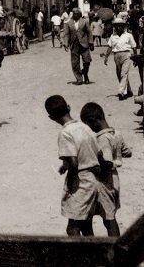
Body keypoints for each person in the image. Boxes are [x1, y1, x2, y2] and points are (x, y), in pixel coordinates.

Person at [44, 95, 102, 237]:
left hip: (80, 182)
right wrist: (66, 164)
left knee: (72, 227)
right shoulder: (85, 127)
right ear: (68, 107)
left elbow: (74, 162)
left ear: (51, 117)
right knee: (86, 225)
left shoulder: (65, 133)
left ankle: (78, 257)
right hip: (93, 180)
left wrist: (71, 182)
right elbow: (96, 152)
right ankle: (93, 255)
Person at [80, 102, 132, 237]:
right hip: (114, 181)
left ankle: (103, 247)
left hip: (104, 183)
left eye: (88, 125)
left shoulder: (102, 139)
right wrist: (119, 155)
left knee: (101, 219)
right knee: (110, 216)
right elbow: (128, 152)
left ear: (93, 122)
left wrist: (98, 160)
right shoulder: (117, 134)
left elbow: (107, 164)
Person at [104, 18, 137, 100]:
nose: (118, 28)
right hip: (116, 56)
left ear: (123, 26)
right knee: (119, 74)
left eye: (120, 26)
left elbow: (134, 47)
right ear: (114, 27)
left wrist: (136, 58)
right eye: (116, 26)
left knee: (124, 73)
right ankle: (129, 91)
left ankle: (121, 92)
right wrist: (106, 57)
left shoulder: (128, 35)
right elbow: (109, 47)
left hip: (126, 55)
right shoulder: (113, 36)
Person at [65, 8, 94, 84]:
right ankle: (79, 79)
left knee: (87, 61)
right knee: (75, 63)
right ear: (73, 14)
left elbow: (89, 33)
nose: (76, 15)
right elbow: (67, 35)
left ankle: (85, 73)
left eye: (77, 13)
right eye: (74, 13)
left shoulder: (84, 22)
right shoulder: (68, 23)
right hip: (74, 45)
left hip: (84, 44)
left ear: (80, 14)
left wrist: (91, 43)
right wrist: (66, 44)